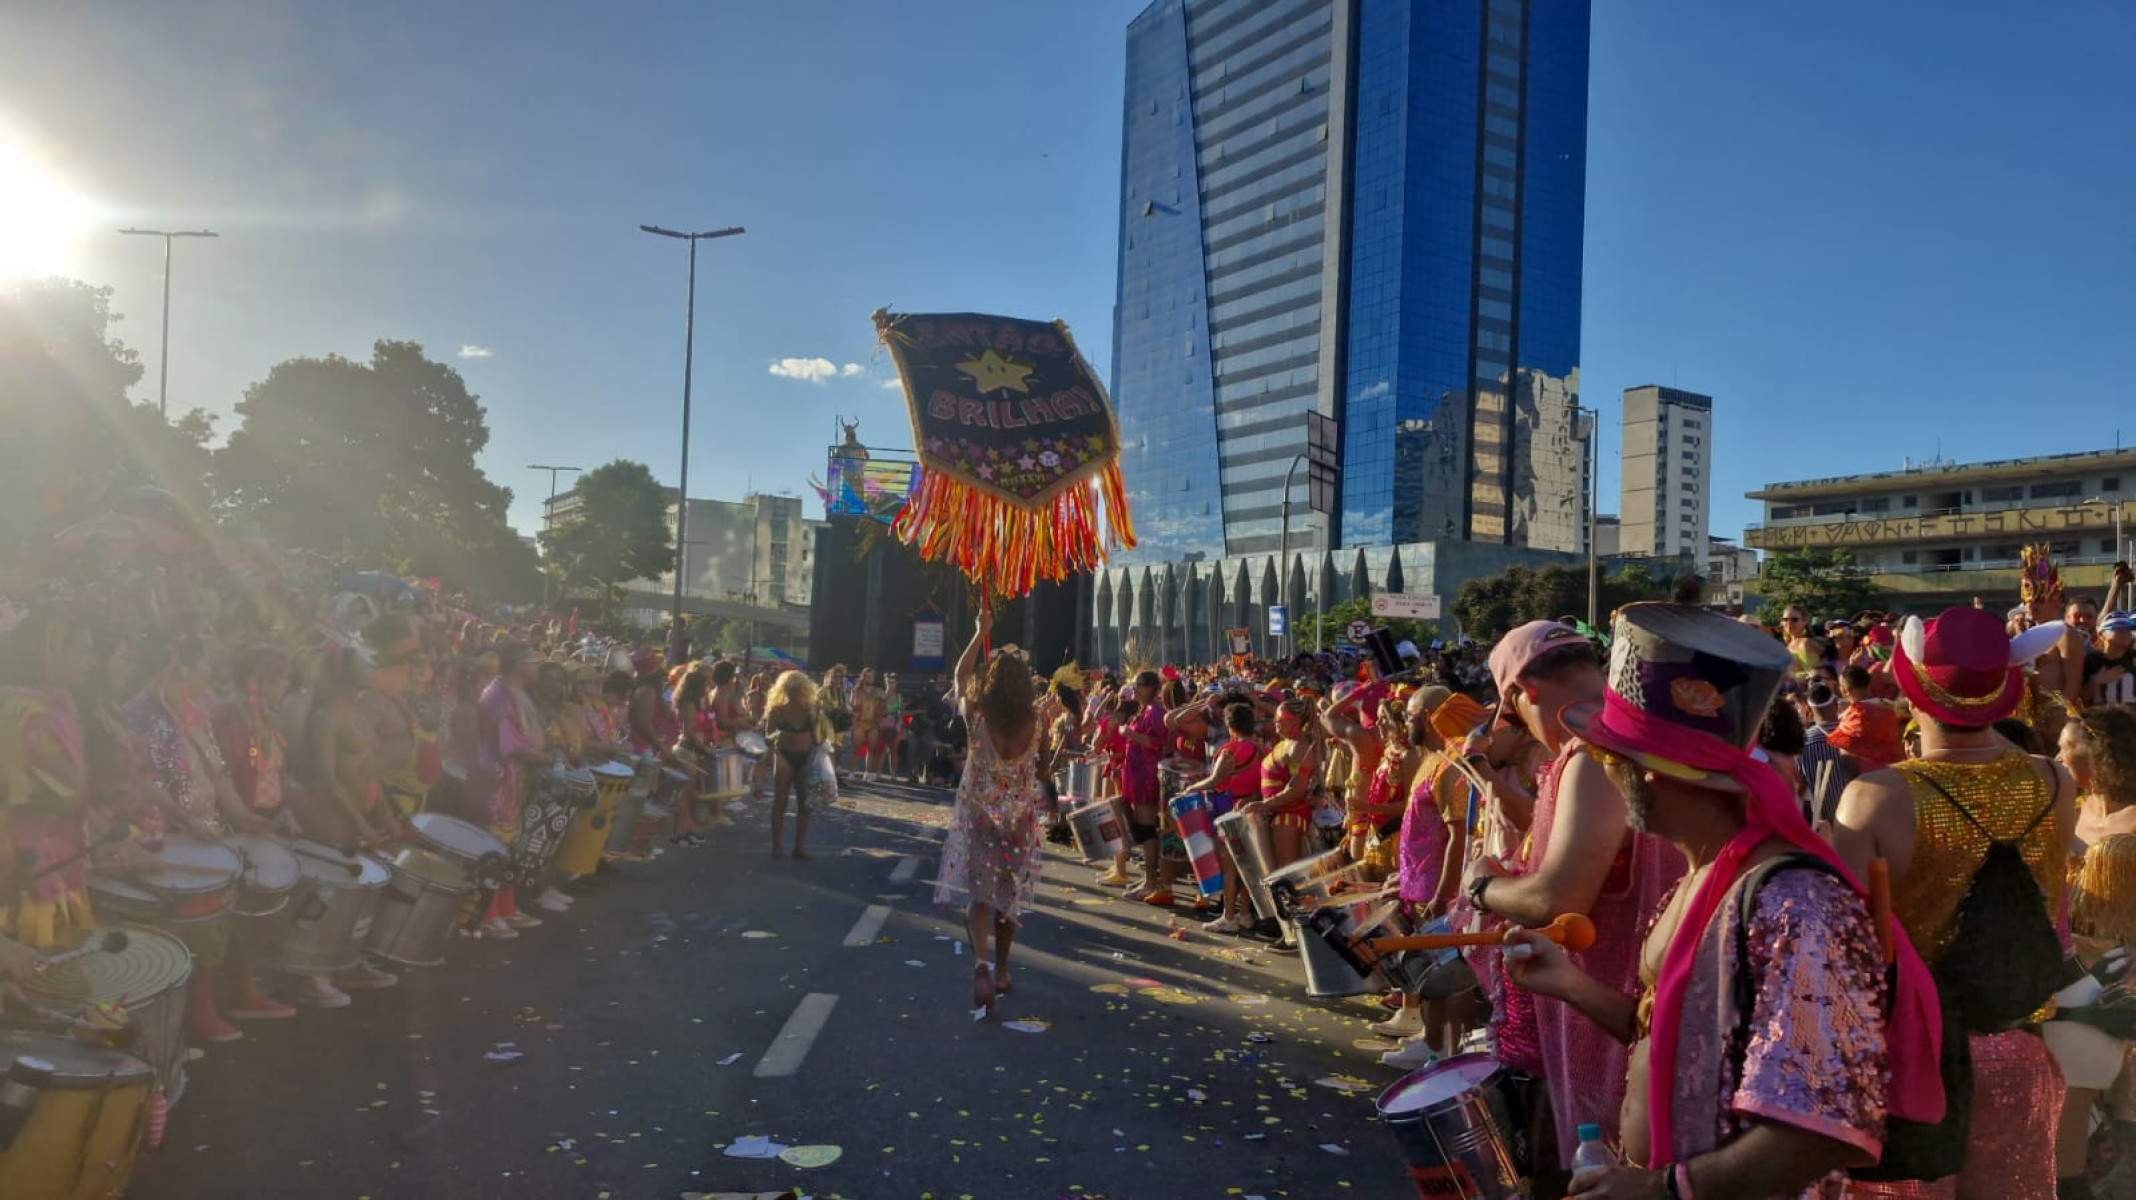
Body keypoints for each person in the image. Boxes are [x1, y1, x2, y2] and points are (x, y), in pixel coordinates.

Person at [1515, 602, 1942, 1200]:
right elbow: (1672, 1035)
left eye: (1613, 758)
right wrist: (1567, 982)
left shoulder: (1796, 902)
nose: (1608, 773)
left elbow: (1827, 1127)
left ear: (1656, 773)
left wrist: (1664, 1190)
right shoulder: (1702, 877)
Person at [1835, 604, 2079, 1200]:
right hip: (2020, 1048)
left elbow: (1845, 944)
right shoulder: (2054, 778)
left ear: (1913, 695)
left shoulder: (1874, 796)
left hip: (1913, 1061)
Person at [1466, 619, 1687, 1170]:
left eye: (1513, 712)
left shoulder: (1593, 754)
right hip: (1636, 995)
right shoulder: (1640, 738)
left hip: (1612, 1005)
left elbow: (1556, 899)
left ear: (1525, 692)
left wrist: (1482, 885)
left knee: (1602, 1162)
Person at [933, 612, 1046, 1020]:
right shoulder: (1036, 722)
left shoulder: (976, 716)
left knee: (979, 898)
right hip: (1019, 819)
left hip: (981, 814)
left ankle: (980, 964)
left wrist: (979, 631)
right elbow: (1043, 767)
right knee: (1008, 900)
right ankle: (1001, 969)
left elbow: (961, 677)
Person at [2052, 703, 2136, 1199]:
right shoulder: (2072, 812)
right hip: (2080, 980)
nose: (2056, 757)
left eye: (2065, 749)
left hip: (2126, 982)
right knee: (2075, 1099)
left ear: (2097, 757)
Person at [476, 643, 551, 938]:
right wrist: (545, 757)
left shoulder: (515, 692)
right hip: (498, 780)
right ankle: (486, 913)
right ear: (519, 665)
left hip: (514, 779)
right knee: (495, 845)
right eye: (532, 661)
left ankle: (506, 906)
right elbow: (510, 746)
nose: (536, 668)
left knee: (511, 846)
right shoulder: (498, 696)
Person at [1190, 701, 1262, 935]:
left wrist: (1191, 788)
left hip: (1228, 808)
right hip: (1250, 808)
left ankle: (1229, 915)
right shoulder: (1263, 749)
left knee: (1229, 865)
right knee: (1245, 864)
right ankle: (1245, 913)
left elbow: (1215, 780)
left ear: (1230, 725)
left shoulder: (1232, 749)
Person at [1119, 670, 1173, 903]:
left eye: (1140, 685)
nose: (1136, 688)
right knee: (1143, 829)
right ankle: (1149, 878)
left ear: (1151, 687)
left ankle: (1152, 880)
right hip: (1137, 777)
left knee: (1148, 829)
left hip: (1148, 779)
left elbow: (1159, 743)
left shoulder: (1156, 712)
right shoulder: (1145, 711)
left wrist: (1130, 733)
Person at [761, 670, 821, 859]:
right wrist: (775, 740)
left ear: (804, 689)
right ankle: (777, 845)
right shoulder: (777, 710)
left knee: (805, 803)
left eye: (797, 688)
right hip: (784, 755)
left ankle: (799, 846)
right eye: (790, 688)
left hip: (806, 756)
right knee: (780, 801)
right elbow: (767, 737)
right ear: (784, 689)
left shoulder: (811, 709)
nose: (794, 692)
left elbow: (818, 737)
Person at [1830, 663, 1905, 770]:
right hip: (1899, 770)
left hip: (1869, 775)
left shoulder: (1849, 719)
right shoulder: (1893, 708)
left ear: (1846, 691)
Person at [2085, 611, 2136, 706]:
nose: (2126, 633)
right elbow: (2080, 697)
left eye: (2128, 629)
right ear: (2101, 635)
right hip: (2102, 718)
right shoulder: (2091, 661)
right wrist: (2096, 682)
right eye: (2119, 629)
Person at [1781, 604, 1827, 675]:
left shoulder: (1807, 643)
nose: (1789, 623)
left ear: (1805, 621)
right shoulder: (1788, 646)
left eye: (1794, 620)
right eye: (1785, 619)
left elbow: (1819, 671)